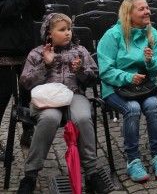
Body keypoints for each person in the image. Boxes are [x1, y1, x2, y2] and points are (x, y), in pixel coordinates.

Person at [17, 13, 111, 194]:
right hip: (47, 99)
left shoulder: (80, 50)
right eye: (62, 30)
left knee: (83, 117)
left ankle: (91, 173)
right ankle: (30, 175)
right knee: (50, 119)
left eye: (69, 29)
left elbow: (94, 78)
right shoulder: (37, 53)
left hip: (74, 95)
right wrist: (46, 65)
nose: (68, 33)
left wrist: (81, 70)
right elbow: (26, 83)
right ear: (49, 33)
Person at [97, 0, 157, 184]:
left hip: (143, 87)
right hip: (115, 87)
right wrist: (128, 77)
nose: (147, 12)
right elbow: (105, 71)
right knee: (133, 109)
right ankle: (133, 159)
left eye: (147, 8)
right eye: (141, 9)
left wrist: (150, 61)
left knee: (153, 104)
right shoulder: (113, 35)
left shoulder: (151, 32)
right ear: (129, 14)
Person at [0, 0, 44, 151]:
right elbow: (3, 12)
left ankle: (28, 130)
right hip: (4, 48)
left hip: (26, 44)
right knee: (2, 96)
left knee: (28, 91)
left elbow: (38, 14)